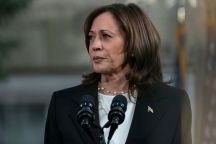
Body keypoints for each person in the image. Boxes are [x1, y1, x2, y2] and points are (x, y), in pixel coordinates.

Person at [44, 3, 192, 144]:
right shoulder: (63, 104)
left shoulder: (173, 103)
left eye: (106, 36)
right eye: (91, 37)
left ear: (134, 44)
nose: (94, 45)